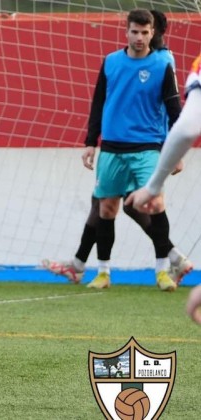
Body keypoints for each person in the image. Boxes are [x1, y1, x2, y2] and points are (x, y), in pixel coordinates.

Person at [41, 9, 192, 287]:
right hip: (111, 148)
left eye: (145, 32)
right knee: (106, 207)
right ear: (126, 31)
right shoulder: (111, 62)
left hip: (148, 146)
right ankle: (103, 271)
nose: (139, 37)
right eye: (134, 31)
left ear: (153, 33)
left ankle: (161, 270)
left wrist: (177, 152)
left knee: (152, 203)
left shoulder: (162, 63)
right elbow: (98, 102)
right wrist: (90, 142)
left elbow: (174, 109)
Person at [125, 53, 201, 323]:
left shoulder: (181, 63)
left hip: (149, 147)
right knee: (122, 204)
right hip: (119, 145)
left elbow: (188, 128)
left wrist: (153, 185)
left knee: (134, 203)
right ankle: (172, 257)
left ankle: (166, 262)